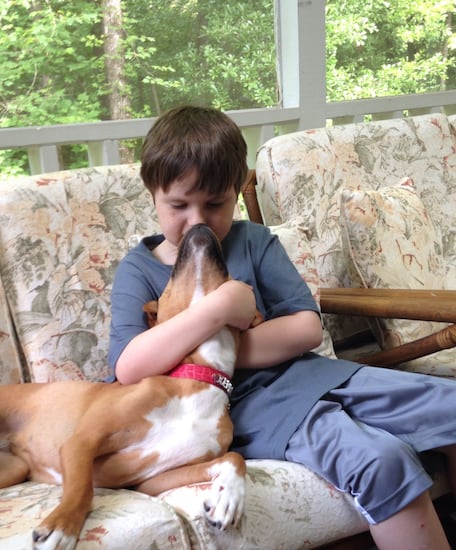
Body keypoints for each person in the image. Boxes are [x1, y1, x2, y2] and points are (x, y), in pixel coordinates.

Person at [108, 105, 456, 549]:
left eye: (214, 204)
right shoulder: (138, 269)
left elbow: (306, 330)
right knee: (378, 459)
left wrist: (212, 346)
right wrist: (218, 310)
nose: (196, 220)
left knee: (450, 403)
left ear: (236, 192)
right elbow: (130, 369)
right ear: (152, 194)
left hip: (313, 373)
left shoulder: (254, 241)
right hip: (244, 406)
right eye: (178, 205)